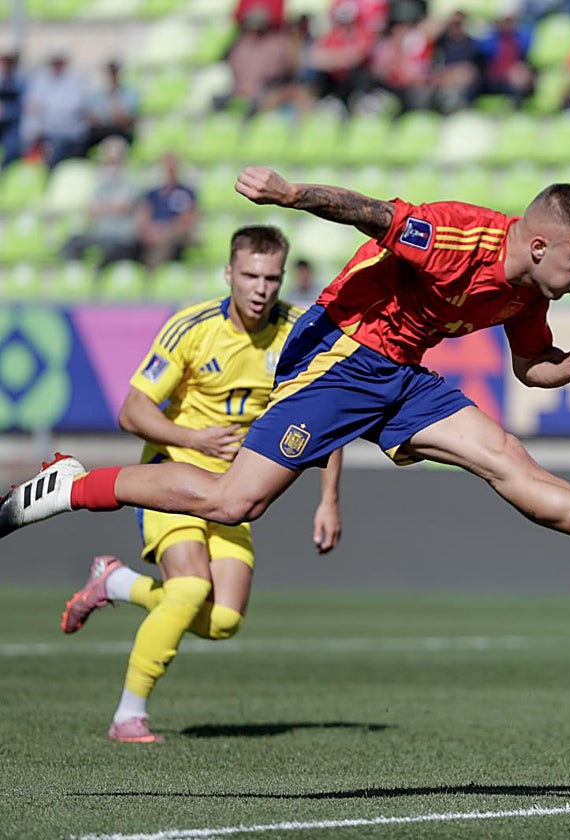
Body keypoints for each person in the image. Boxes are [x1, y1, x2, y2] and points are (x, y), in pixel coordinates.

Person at [1, 168, 570, 592]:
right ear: (539, 241)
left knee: (505, 457)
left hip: (400, 373)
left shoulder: (530, 290)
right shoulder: (458, 235)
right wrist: (289, 194)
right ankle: (74, 484)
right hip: (339, 355)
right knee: (233, 502)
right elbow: (370, 213)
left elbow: (529, 366)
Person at [58, 225, 343, 743]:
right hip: (171, 474)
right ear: (229, 273)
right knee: (189, 588)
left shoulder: (300, 333)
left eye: (272, 277)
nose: (261, 287)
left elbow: (333, 412)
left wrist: (328, 500)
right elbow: (132, 411)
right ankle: (128, 715)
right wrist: (193, 436)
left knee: (224, 620)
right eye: (251, 275)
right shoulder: (191, 327)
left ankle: (116, 583)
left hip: (232, 493)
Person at [60, 135, 142, 270]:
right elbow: (92, 210)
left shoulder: (132, 180)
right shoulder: (99, 181)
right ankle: (75, 277)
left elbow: (123, 207)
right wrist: (110, 207)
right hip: (99, 234)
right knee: (72, 243)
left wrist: (103, 208)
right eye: (108, 160)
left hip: (121, 238)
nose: (110, 164)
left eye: (114, 160)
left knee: (108, 254)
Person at [135, 152, 199, 270]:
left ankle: (153, 274)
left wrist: (165, 231)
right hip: (155, 233)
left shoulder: (187, 192)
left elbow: (187, 220)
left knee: (164, 245)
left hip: (177, 234)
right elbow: (144, 216)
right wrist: (150, 231)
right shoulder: (152, 193)